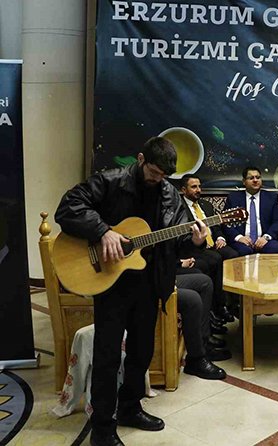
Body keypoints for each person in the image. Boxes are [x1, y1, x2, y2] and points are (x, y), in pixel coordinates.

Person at [55, 137, 208, 446]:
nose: (158, 180)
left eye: (164, 176)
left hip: (149, 283)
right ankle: (102, 428)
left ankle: (130, 407)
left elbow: (177, 241)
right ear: (140, 159)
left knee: (141, 352)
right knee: (108, 355)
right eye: (154, 172)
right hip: (110, 283)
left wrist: (194, 240)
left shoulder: (169, 194)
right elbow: (67, 208)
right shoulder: (110, 181)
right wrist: (103, 231)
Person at [180, 174, 237, 324]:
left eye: (199, 186)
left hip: (213, 244)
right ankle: (216, 307)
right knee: (214, 259)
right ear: (183, 190)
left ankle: (232, 304)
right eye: (194, 187)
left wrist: (220, 238)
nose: (198, 190)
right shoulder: (179, 208)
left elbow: (216, 227)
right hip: (193, 248)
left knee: (232, 254)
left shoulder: (206, 205)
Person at [175, 260, 228, 379]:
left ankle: (204, 345)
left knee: (205, 282)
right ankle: (195, 358)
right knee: (192, 299)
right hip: (151, 282)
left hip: (163, 274)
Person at [223, 166, 278, 255]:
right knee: (244, 251)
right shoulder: (233, 198)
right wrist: (239, 237)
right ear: (244, 181)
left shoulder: (271, 197)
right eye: (251, 178)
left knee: (275, 248)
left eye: (258, 177)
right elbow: (225, 222)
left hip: (264, 239)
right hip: (242, 240)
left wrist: (266, 237)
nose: (255, 180)